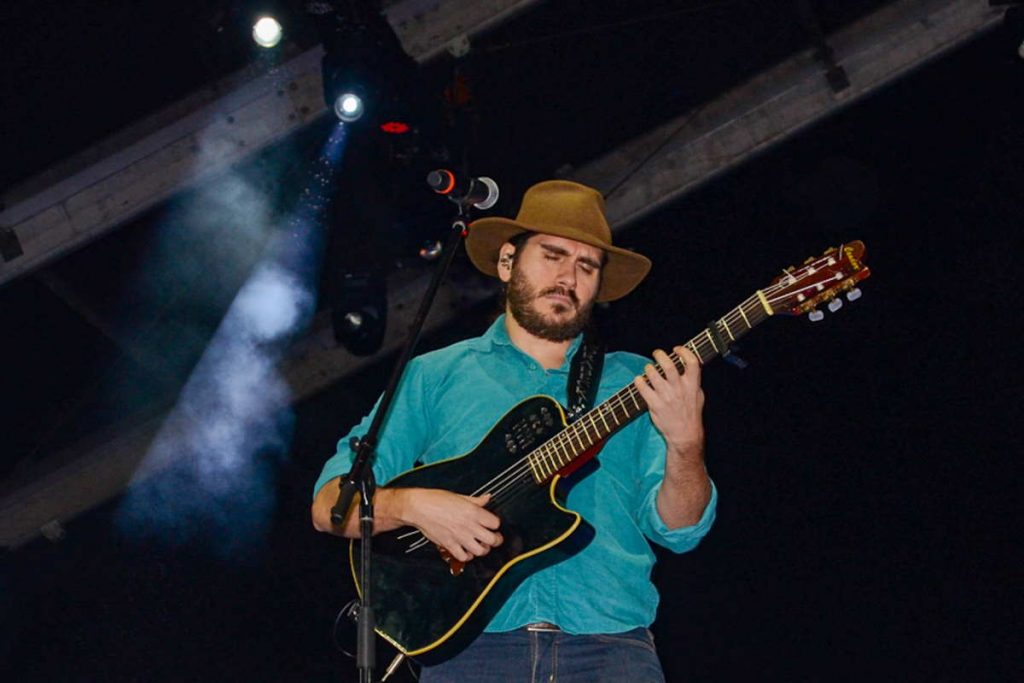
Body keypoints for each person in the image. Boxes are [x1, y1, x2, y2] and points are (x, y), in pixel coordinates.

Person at [312, 179, 717, 682]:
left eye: (586, 265)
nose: (568, 276)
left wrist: (686, 444)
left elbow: (680, 530)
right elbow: (331, 505)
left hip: (611, 650)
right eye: (552, 255)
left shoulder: (639, 382)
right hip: (470, 651)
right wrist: (413, 506)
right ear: (507, 263)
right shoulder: (436, 375)